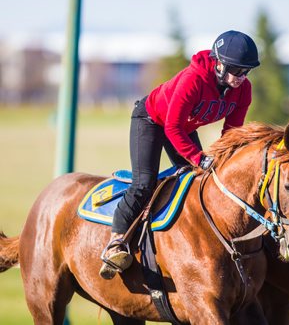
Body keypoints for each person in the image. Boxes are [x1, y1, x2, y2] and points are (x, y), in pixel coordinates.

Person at [99, 30, 260, 280]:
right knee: (145, 183)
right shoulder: (193, 79)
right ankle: (116, 241)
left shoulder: (244, 90)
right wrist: (199, 158)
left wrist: (223, 162)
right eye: (237, 70)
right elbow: (171, 127)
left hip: (183, 128)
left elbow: (231, 133)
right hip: (151, 120)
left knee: (198, 180)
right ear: (219, 64)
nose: (242, 77)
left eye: (247, 71)